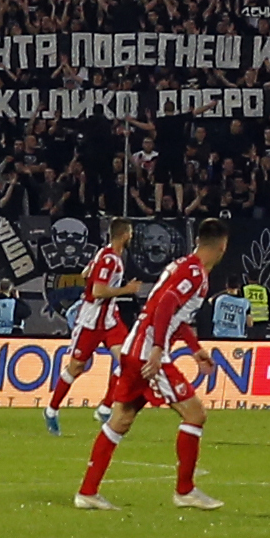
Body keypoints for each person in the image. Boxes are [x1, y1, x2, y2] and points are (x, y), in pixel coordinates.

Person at [76, 218, 227, 511]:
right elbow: (167, 304)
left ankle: (87, 492)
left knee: (120, 420)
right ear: (223, 246)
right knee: (195, 415)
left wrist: (194, 348)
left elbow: (169, 312)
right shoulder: (195, 273)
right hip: (147, 353)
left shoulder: (182, 265)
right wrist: (158, 349)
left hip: (135, 347)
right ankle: (185, 491)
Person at [42, 223, 133, 438]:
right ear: (125, 234)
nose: (132, 236)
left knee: (128, 361)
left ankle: (105, 408)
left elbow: (85, 273)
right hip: (91, 320)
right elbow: (97, 290)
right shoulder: (109, 259)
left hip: (110, 319)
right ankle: (51, 410)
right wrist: (125, 290)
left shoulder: (106, 253)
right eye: (130, 232)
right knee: (76, 367)